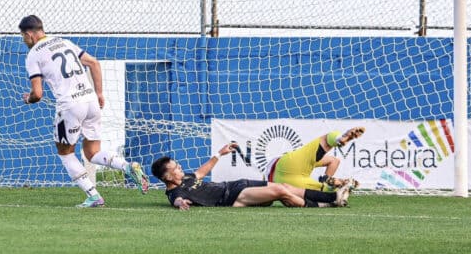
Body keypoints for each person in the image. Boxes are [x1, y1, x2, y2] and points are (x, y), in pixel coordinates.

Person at [19, 15, 149, 207]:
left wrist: (28, 99)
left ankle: (94, 196)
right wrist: (100, 93)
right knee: (92, 152)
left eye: (23, 36)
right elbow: (94, 63)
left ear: (29, 34)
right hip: (90, 100)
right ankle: (128, 166)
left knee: (65, 153)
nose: (23, 40)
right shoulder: (64, 42)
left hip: (70, 105)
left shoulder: (33, 55)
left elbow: (38, 94)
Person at [150, 143, 355, 210]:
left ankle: (327, 203)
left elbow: (201, 172)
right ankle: (332, 198)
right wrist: (179, 203)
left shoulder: (185, 178)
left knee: (283, 188)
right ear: (167, 177)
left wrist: (219, 154)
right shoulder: (175, 190)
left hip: (236, 185)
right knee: (280, 190)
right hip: (231, 197)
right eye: (175, 168)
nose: (180, 168)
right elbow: (176, 199)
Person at [266, 126, 364, 191]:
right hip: (284, 175)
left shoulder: (308, 165)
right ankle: (339, 138)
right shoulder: (308, 164)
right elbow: (333, 161)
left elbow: (334, 161)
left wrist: (329, 180)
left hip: (285, 177)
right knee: (325, 190)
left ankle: (338, 138)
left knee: (326, 190)